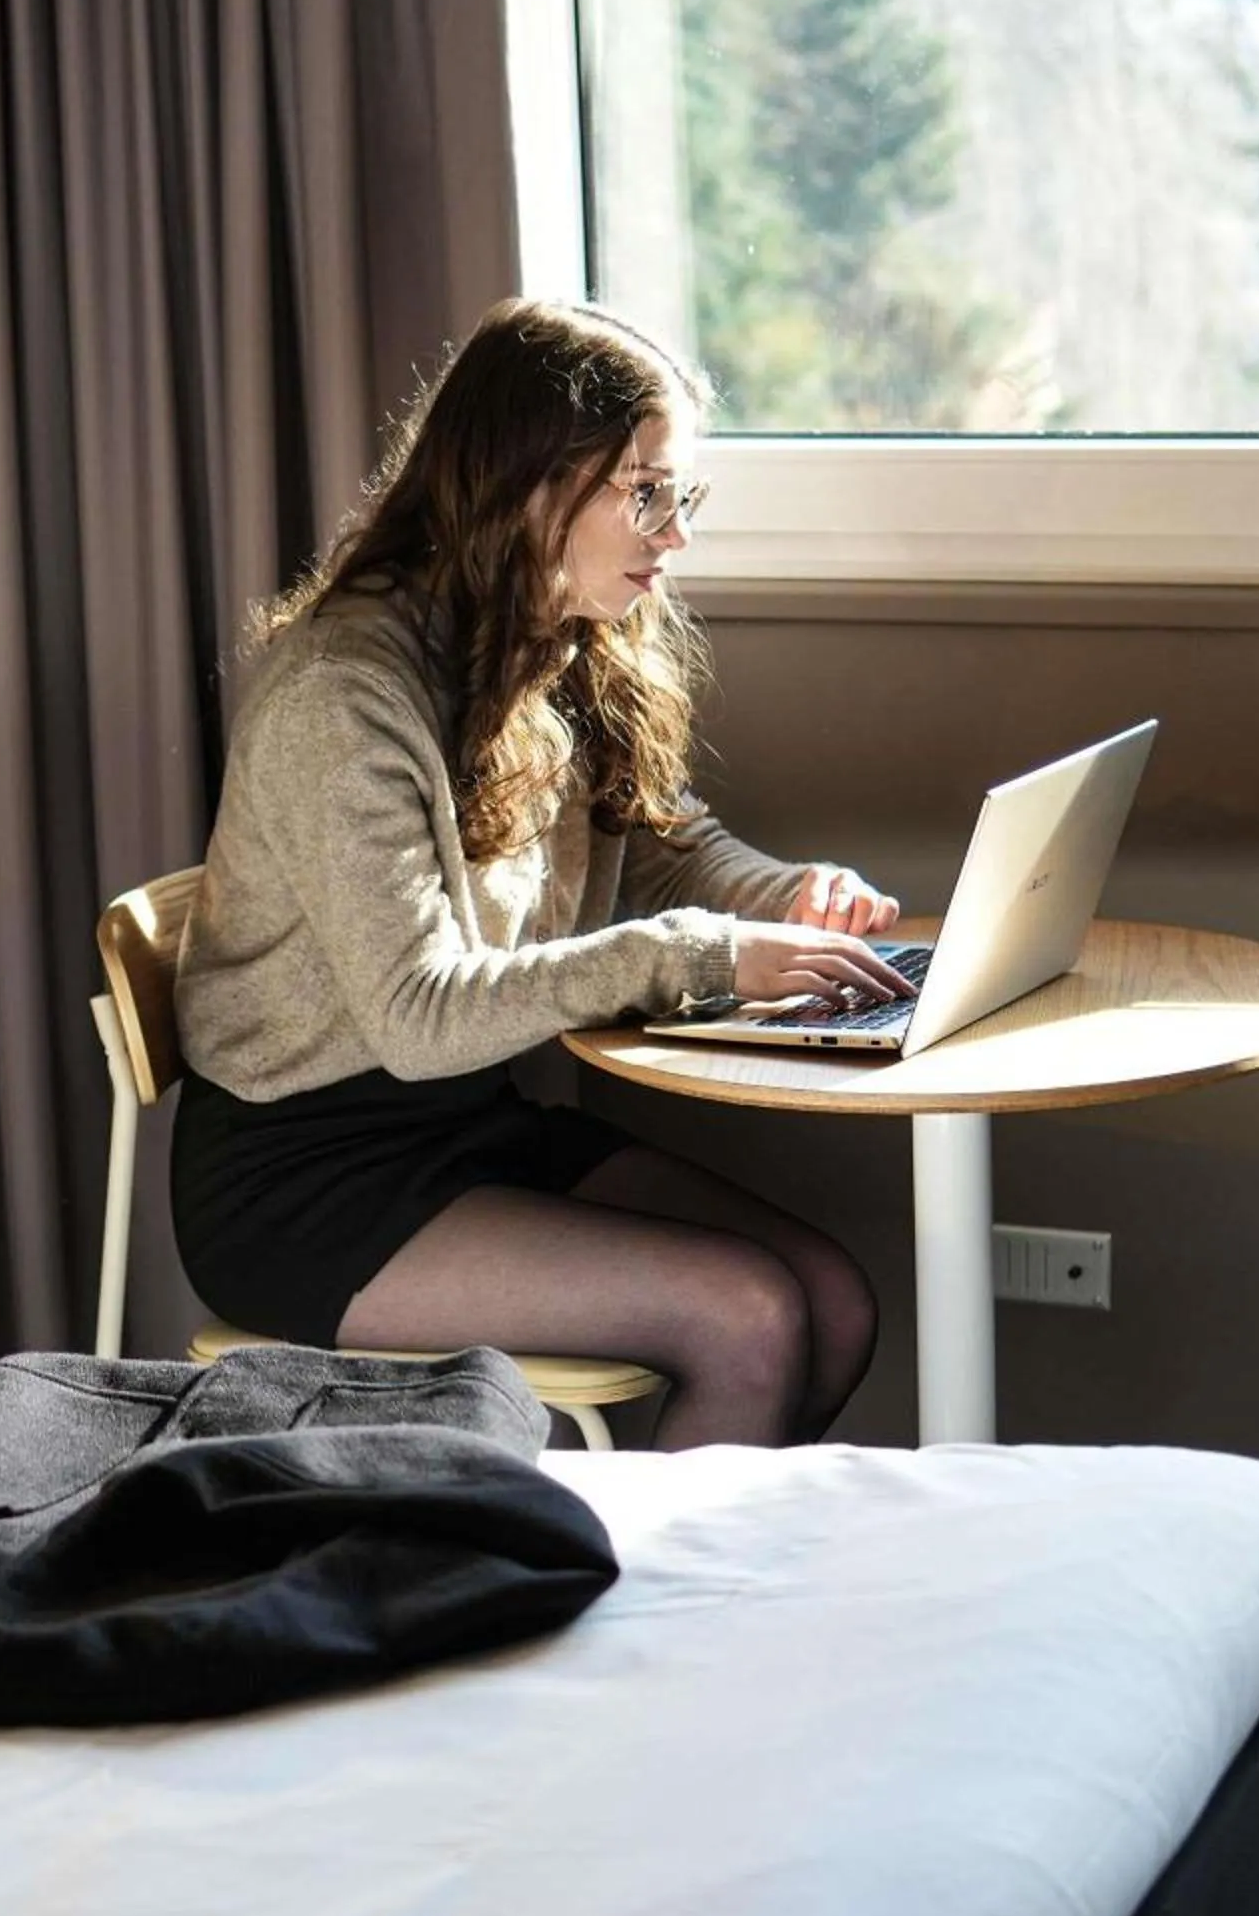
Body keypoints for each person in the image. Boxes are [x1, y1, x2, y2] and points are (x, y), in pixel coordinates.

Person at [170, 298, 912, 1449]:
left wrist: (793, 897)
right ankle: (644, 1624)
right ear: (528, 481)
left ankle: (692, 1606)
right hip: (307, 1178)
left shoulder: (553, 638)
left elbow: (662, 848)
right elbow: (419, 1016)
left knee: (836, 1302)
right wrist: (704, 958)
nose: (674, 535)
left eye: (684, 497)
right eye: (646, 492)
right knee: (752, 1323)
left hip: (466, 1125)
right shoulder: (342, 698)